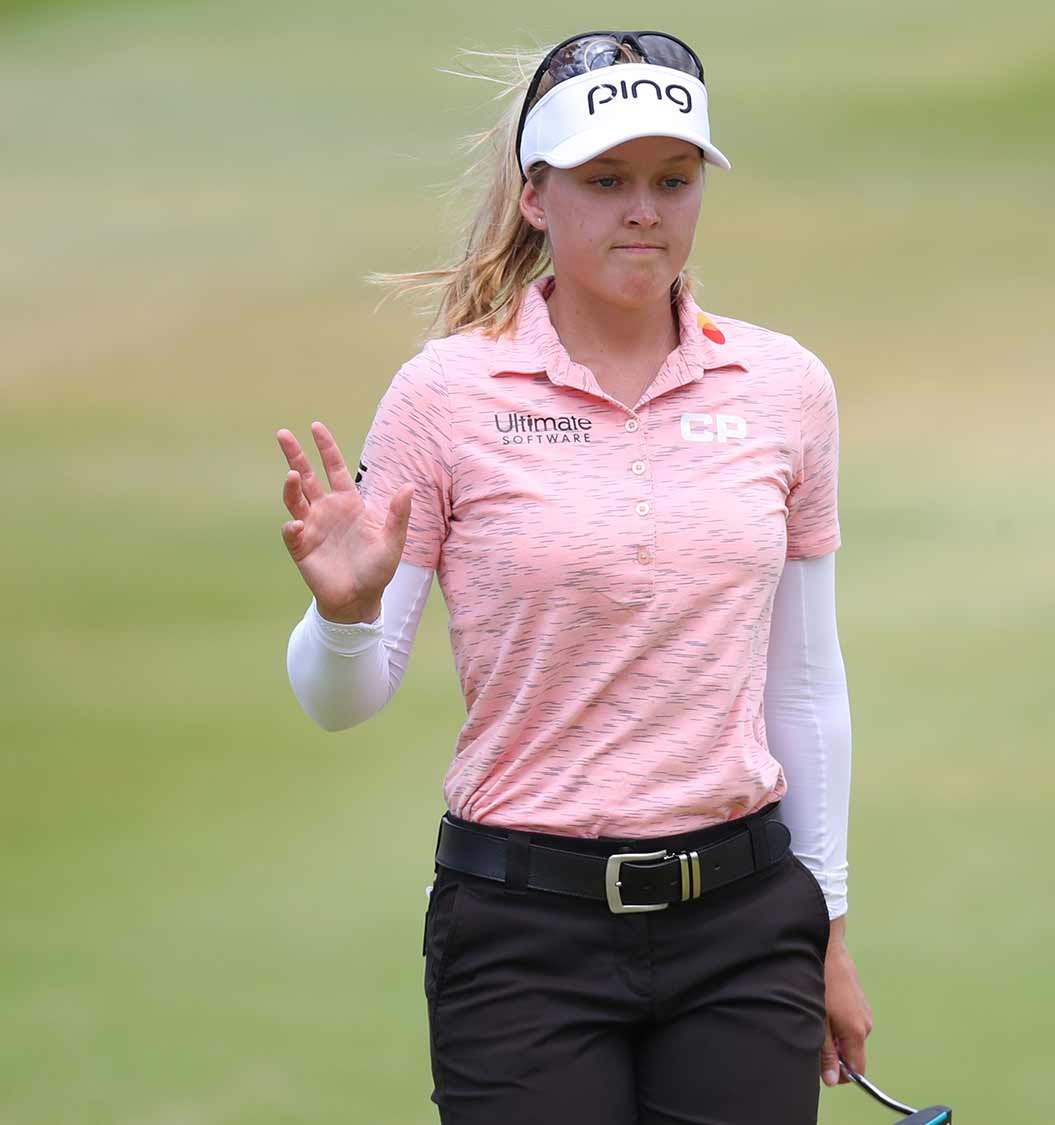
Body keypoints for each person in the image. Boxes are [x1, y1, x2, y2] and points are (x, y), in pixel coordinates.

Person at [275, 30, 872, 1124]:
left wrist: (824, 926)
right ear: (536, 196)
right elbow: (339, 700)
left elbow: (803, 684)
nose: (643, 210)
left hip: (742, 929)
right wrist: (345, 614)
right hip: (520, 930)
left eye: (672, 180)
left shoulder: (783, 386)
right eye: (604, 181)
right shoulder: (443, 395)